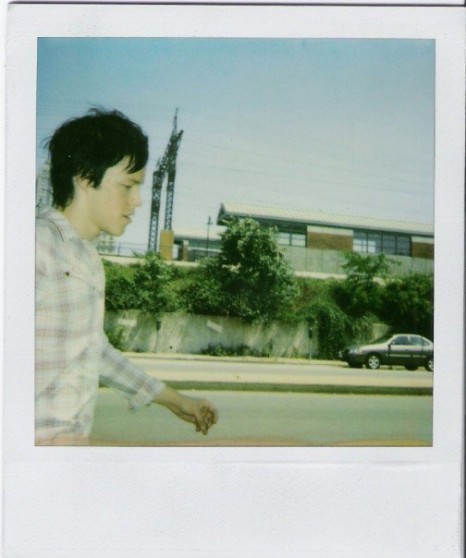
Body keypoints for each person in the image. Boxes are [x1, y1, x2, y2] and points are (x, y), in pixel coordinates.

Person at [35, 108, 218, 445]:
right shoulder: (35, 245)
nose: (137, 201)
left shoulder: (87, 259)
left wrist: (175, 400)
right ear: (85, 178)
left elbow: (92, 350)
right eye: (128, 186)